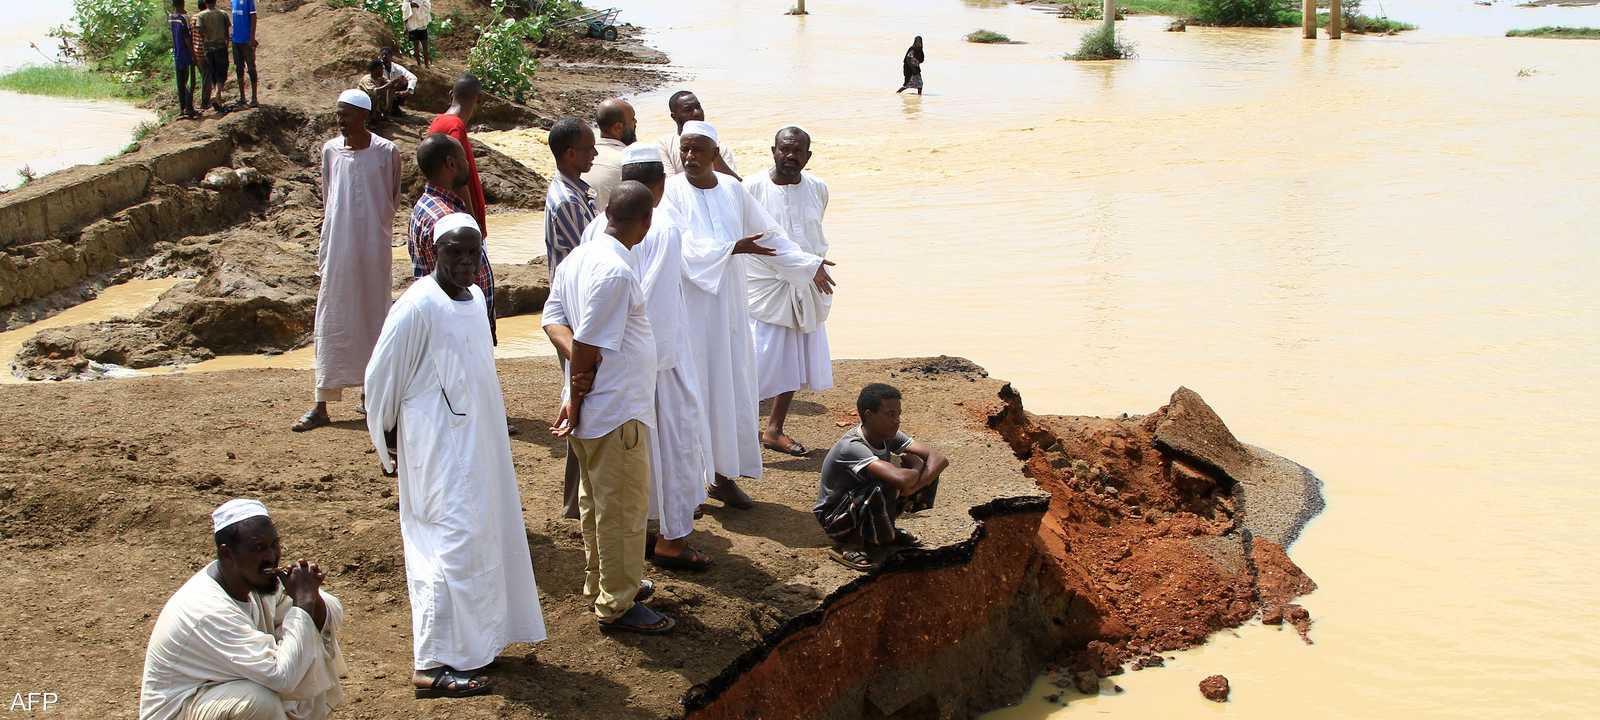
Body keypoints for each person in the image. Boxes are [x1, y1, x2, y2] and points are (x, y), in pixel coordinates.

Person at [365, 214, 548, 697]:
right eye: (455, 252)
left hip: (479, 447)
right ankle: (431, 663)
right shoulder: (416, 306)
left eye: (473, 253)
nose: (466, 262)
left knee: (481, 540)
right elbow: (379, 379)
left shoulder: (473, 301)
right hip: (436, 451)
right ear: (432, 253)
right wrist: (388, 445)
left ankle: (476, 646)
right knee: (443, 548)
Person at [664, 121, 836, 510]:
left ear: (714, 154)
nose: (689, 158)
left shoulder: (732, 190)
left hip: (730, 308)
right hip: (691, 309)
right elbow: (681, 246)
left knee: (731, 388)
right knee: (693, 394)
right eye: (684, 150)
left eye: (697, 150)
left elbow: (769, 235)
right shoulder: (672, 193)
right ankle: (691, 484)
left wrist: (808, 264)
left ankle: (723, 477)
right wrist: (731, 248)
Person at [543, 182, 677, 635]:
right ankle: (617, 605)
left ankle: (607, 582)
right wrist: (579, 389)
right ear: (647, 221)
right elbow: (585, 342)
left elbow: (554, 321)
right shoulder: (615, 270)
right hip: (614, 410)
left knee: (598, 504)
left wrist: (577, 380)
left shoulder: (579, 257)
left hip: (597, 408)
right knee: (621, 510)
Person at [581, 146, 713, 572]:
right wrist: (647, 360)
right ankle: (672, 540)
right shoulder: (664, 226)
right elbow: (652, 299)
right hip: (655, 359)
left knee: (638, 453)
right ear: (660, 186)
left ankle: (646, 530)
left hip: (614, 359)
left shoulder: (598, 227)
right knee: (674, 446)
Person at [139, 499, 346, 720]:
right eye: (258, 548)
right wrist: (302, 602)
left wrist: (310, 596)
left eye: (274, 544)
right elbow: (283, 677)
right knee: (256, 702)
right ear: (227, 554)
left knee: (306, 643)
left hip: (213, 694)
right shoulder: (208, 610)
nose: (271, 556)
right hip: (180, 710)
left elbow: (330, 612)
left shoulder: (253, 580)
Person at [293, 90, 402, 432]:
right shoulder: (330, 150)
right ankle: (321, 403)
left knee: (375, 317)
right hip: (338, 248)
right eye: (338, 114)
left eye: (347, 114)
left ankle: (372, 394)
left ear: (363, 116)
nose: (341, 120)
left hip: (373, 250)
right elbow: (329, 199)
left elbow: (392, 199)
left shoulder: (387, 152)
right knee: (332, 318)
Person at [745, 126, 834, 458]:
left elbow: (813, 234)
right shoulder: (751, 188)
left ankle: (774, 429)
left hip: (808, 287)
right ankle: (735, 430)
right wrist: (805, 266)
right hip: (764, 289)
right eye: (785, 149)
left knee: (794, 359)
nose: (790, 156)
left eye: (798, 151)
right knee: (755, 363)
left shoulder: (818, 188)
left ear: (808, 156)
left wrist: (808, 270)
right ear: (773, 151)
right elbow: (755, 243)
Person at [816, 384, 948, 572]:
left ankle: (886, 531)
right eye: (890, 414)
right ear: (869, 415)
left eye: (898, 414)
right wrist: (917, 466)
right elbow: (899, 479)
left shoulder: (888, 434)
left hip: (861, 503)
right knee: (886, 484)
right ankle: (849, 543)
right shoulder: (852, 446)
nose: (897, 420)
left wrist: (915, 482)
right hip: (837, 517)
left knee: (926, 472)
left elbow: (939, 458)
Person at [544, 116, 599, 520]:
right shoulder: (566, 201)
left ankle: (577, 499)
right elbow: (592, 253)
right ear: (569, 154)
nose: (595, 153)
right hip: (575, 314)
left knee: (581, 399)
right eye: (588, 148)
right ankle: (576, 501)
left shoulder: (578, 192)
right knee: (580, 400)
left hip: (576, 310)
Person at [410, 133, 496, 343]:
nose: (468, 163)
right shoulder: (448, 218)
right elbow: (470, 278)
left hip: (443, 321)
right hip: (459, 325)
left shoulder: (424, 205)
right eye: (464, 158)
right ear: (451, 163)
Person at [427, 75, 488, 242]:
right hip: (461, 220)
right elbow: (459, 180)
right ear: (479, 99)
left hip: (447, 214)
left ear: (450, 94)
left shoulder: (437, 122)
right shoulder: (456, 127)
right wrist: (473, 222)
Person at [654, 91, 739, 180]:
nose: (697, 113)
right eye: (688, 110)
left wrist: (713, 154)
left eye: (698, 107)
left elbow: (734, 184)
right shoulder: (664, 145)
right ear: (674, 116)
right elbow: (668, 184)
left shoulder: (719, 147)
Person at [582, 98, 636, 209]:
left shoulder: (581, 158)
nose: (636, 122)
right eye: (632, 119)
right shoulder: (630, 160)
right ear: (617, 128)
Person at [196, 0, 231, 114]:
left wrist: (207, 38)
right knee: (222, 72)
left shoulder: (201, 15)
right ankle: (216, 95)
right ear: (215, 1)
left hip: (208, 48)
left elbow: (200, 31)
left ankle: (218, 99)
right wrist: (226, 42)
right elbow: (227, 30)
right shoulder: (223, 14)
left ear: (205, 2)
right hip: (220, 46)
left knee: (214, 73)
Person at [168, 0, 198, 119]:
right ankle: (188, 108)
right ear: (183, 4)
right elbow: (187, 38)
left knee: (180, 82)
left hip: (177, 52)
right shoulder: (182, 19)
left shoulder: (171, 17)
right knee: (189, 82)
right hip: (185, 53)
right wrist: (193, 55)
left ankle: (182, 108)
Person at [230, 0, 259, 108]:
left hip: (246, 40)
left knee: (251, 68)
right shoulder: (233, 1)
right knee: (239, 68)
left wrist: (252, 37)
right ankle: (242, 98)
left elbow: (254, 17)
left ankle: (254, 98)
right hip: (236, 40)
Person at [378, 47, 418, 115]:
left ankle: (394, 107)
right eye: (382, 55)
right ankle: (384, 109)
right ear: (379, 56)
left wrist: (407, 91)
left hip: (393, 92)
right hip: (381, 92)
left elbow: (413, 78)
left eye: (386, 54)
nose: (384, 57)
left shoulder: (397, 68)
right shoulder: (377, 67)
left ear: (391, 57)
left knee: (405, 83)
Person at [403, 0, 432, 68]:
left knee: (425, 46)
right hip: (412, 25)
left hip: (422, 25)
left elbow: (427, 5)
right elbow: (404, 7)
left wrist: (417, 4)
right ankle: (419, 64)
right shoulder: (407, 1)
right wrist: (410, 4)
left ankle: (426, 65)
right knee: (416, 46)